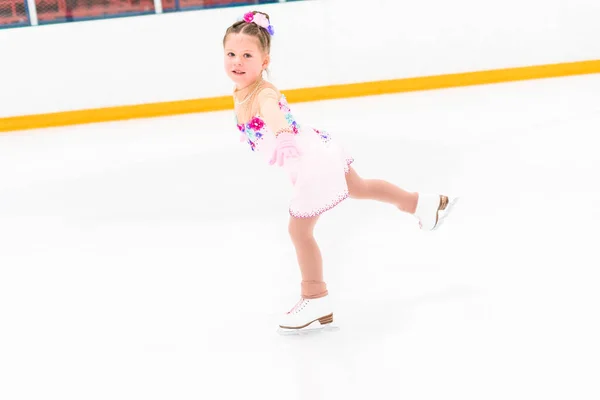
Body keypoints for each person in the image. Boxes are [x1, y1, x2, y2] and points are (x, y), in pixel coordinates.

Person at [223, 11, 458, 333]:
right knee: (359, 187)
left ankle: (315, 297)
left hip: (308, 158)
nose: (237, 61)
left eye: (247, 55)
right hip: (314, 148)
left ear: (264, 61)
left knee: (299, 232)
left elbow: (272, 114)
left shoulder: (262, 93)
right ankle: (424, 204)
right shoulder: (242, 90)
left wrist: (282, 138)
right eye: (231, 54)